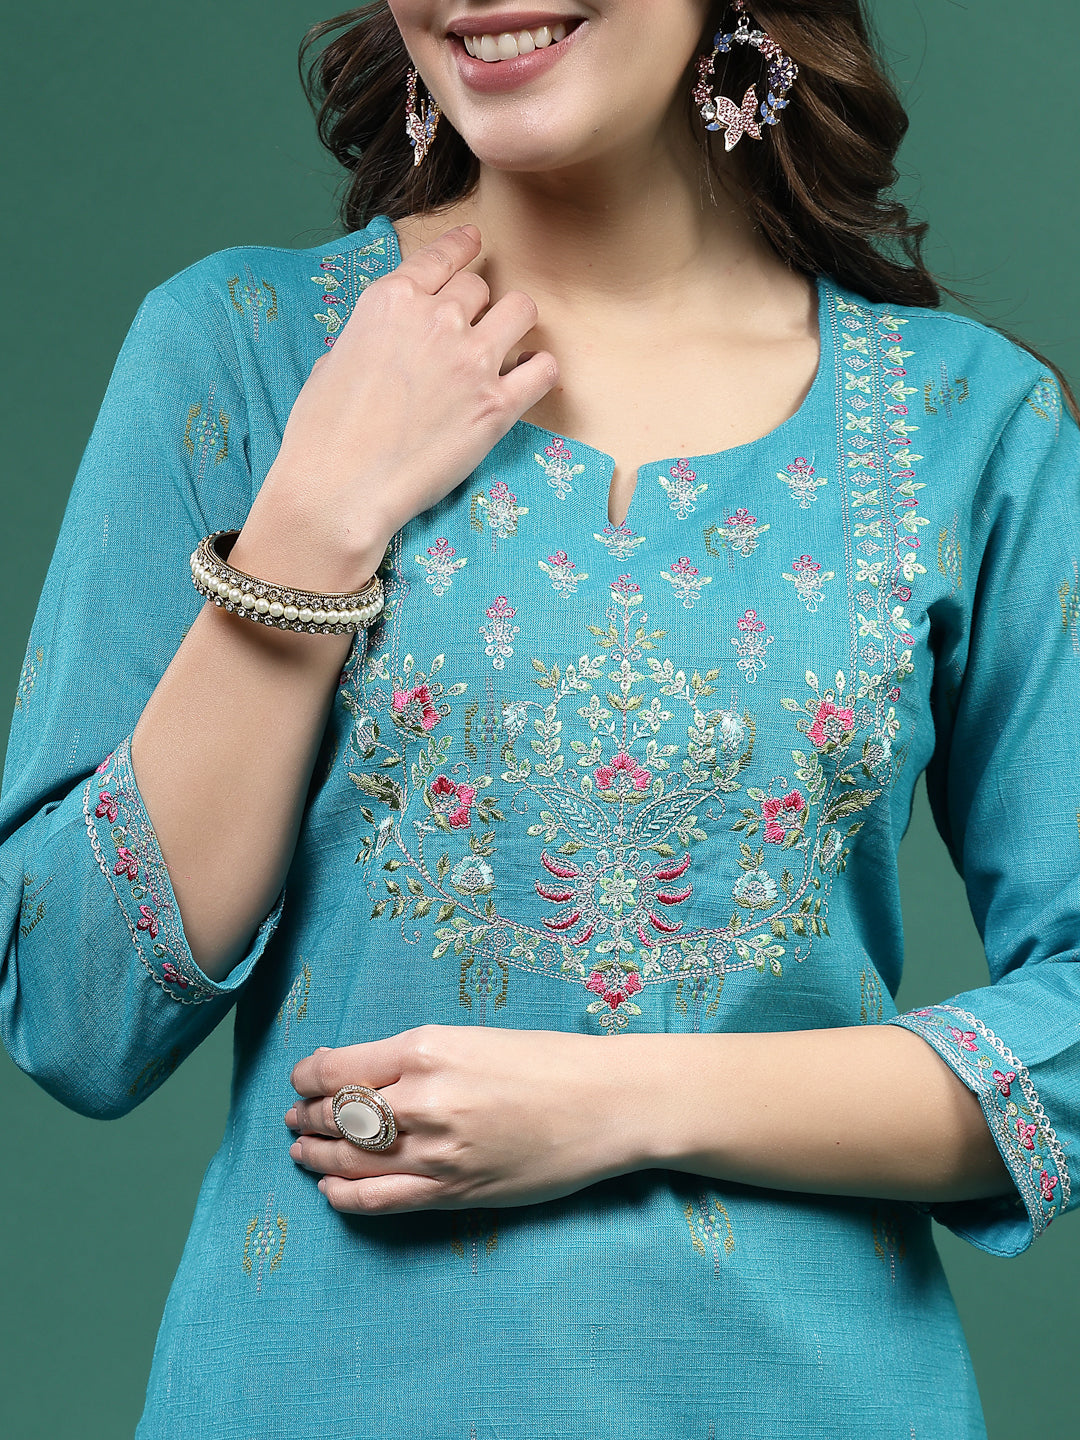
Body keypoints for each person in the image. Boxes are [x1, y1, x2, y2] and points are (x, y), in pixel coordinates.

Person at [1, 0, 1077, 1434]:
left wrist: (625, 1103)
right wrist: (313, 520)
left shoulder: (970, 426)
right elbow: (75, 1010)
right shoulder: (246, 349)